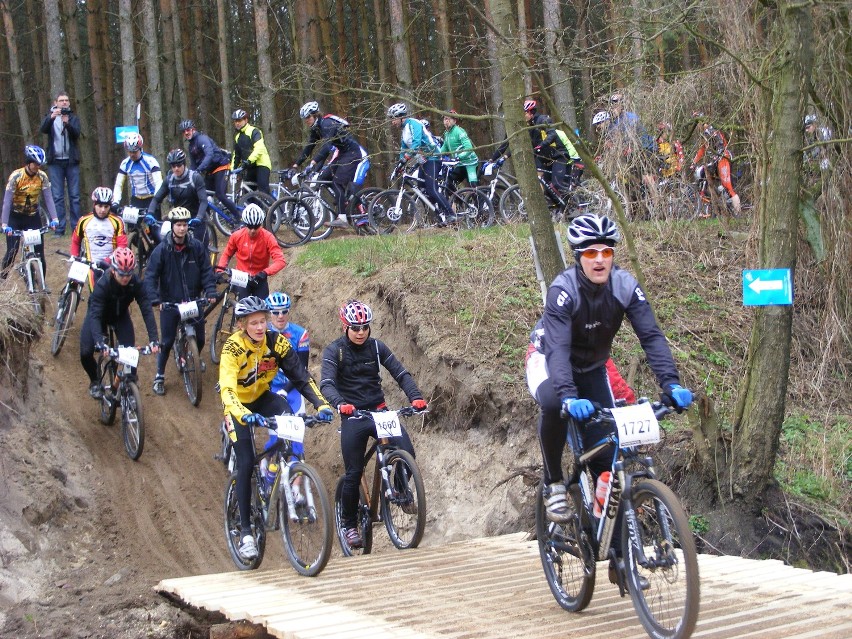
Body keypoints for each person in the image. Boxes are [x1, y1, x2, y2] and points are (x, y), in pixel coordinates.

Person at [525, 213, 692, 578]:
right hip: (549, 361)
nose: (599, 259)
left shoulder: (626, 286)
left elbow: (650, 336)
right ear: (578, 256)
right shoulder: (563, 290)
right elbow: (558, 350)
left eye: (606, 251)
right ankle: (555, 483)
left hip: (593, 368)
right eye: (590, 253)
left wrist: (671, 383)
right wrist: (569, 395)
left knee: (608, 463)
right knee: (554, 403)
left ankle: (619, 558)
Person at [219, 295, 334, 560]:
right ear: (242, 325)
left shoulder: (276, 342)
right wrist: (242, 414)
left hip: (263, 397)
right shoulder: (232, 348)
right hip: (237, 404)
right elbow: (226, 388)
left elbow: (301, 377)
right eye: (253, 323)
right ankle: (246, 531)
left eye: (263, 321)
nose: (260, 327)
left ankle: (276, 467)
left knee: (287, 416)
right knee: (246, 461)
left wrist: (321, 405)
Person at [320, 300, 428, 549]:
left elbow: (400, 373)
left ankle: (399, 491)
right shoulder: (334, 351)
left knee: (407, 451)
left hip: (379, 411)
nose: (361, 332)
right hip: (353, 414)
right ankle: (349, 524)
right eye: (355, 328)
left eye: (365, 327)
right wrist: (339, 403)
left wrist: (416, 397)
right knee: (353, 472)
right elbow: (326, 383)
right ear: (345, 326)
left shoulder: (377, 347)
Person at [144, 206, 217, 396]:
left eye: (185, 225)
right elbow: (151, 276)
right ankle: (159, 375)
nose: (182, 229)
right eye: (178, 225)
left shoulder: (197, 248)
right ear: (172, 226)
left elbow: (207, 271)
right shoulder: (162, 250)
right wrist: (155, 299)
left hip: (193, 301)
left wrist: (210, 290)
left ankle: (191, 354)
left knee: (200, 338)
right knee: (166, 341)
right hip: (170, 302)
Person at [80, 247, 160, 399]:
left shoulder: (135, 282)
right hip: (99, 316)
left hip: (120, 316)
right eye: (122, 274)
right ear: (113, 270)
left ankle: (130, 385)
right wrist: (99, 342)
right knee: (85, 352)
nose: (125, 278)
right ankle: (95, 381)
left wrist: (154, 339)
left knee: (131, 352)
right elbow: (95, 315)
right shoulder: (103, 284)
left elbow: (146, 308)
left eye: (129, 274)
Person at [292, 101, 371, 228]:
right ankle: (343, 200)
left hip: (352, 153)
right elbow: (309, 147)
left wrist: (313, 162)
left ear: (315, 115)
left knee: (337, 182)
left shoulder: (327, 124)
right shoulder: (316, 128)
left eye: (308, 117)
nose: (306, 120)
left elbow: (327, 147)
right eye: (304, 118)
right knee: (323, 177)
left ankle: (343, 218)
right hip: (343, 153)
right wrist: (296, 164)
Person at [387, 103, 456, 226]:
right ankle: (440, 215)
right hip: (423, 160)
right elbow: (404, 149)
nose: (392, 123)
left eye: (393, 119)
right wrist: (399, 165)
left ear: (401, 117)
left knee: (432, 189)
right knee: (422, 188)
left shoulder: (414, 124)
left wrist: (406, 158)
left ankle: (451, 214)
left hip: (433, 157)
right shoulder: (404, 130)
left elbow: (416, 143)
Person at [1, 145, 60, 279]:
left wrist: (54, 218)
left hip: (33, 217)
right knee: (12, 250)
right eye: (36, 164)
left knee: (40, 253)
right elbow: (7, 201)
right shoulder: (16, 176)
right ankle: (2, 279)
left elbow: (49, 198)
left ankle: (42, 285)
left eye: (40, 164)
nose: (38, 167)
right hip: (14, 217)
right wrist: (4, 224)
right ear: (29, 162)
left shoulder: (42, 177)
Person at [215, 203, 285, 300]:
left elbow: (280, 261)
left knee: (262, 310)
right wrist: (220, 271)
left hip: (259, 278)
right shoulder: (236, 236)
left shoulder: (268, 237)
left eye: (256, 227)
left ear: (261, 224)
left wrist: (265, 272)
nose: (253, 230)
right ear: (245, 224)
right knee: (243, 309)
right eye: (249, 226)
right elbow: (226, 254)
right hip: (241, 278)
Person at [147, 148, 210, 250]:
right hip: (178, 218)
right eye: (173, 166)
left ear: (184, 164)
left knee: (200, 249)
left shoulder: (195, 178)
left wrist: (199, 217)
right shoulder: (169, 180)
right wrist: (150, 213)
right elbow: (156, 198)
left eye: (179, 165)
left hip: (196, 216)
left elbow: (203, 201)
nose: (176, 168)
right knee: (165, 245)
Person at [178, 119, 239, 222]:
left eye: (188, 130)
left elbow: (209, 155)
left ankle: (239, 217)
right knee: (203, 196)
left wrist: (199, 169)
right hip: (210, 171)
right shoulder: (191, 146)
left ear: (193, 129)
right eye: (184, 131)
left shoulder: (202, 139)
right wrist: (189, 175)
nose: (186, 133)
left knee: (220, 195)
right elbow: (193, 165)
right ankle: (205, 223)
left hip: (221, 166)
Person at [39, 92, 82, 236]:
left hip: (71, 161)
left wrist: (67, 123)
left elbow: (76, 134)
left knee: (74, 196)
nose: (64, 103)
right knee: (57, 196)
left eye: (66, 100)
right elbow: (43, 129)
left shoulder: (73, 117)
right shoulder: (50, 117)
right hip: (55, 162)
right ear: (55, 102)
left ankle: (76, 227)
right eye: (61, 100)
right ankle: (59, 227)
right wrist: (51, 118)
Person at [70, 186, 128, 290]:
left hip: (111, 263)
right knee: (95, 292)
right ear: (94, 204)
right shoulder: (84, 220)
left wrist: (109, 260)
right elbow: (76, 241)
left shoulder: (117, 222)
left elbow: (122, 246)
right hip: (91, 264)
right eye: (100, 206)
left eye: (106, 206)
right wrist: (74, 256)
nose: (103, 210)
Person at [690, 112, 741, 214]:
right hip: (718, 160)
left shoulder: (709, 131)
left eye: (697, 123)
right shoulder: (709, 131)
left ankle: (737, 212)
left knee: (728, 186)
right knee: (708, 178)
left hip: (723, 159)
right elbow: (703, 149)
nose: (697, 127)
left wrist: (694, 162)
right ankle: (715, 207)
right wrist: (695, 162)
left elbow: (705, 148)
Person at [112, 133, 163, 210]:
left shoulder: (150, 161)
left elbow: (158, 182)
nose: (132, 154)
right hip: (136, 199)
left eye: (135, 152)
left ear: (140, 149)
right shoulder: (125, 163)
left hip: (151, 198)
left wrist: (156, 200)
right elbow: (119, 184)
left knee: (153, 221)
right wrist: (115, 201)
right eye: (130, 152)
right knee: (131, 222)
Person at [231, 109, 273, 195]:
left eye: (239, 120)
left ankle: (271, 207)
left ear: (246, 120)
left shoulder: (254, 131)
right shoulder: (237, 137)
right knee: (247, 194)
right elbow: (236, 155)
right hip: (250, 167)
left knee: (263, 191)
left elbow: (259, 148)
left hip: (261, 164)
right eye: (235, 121)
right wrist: (233, 170)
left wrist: (249, 161)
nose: (237, 123)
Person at [440, 110, 479, 193]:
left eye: (449, 119)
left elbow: (469, 148)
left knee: (473, 186)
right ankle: (459, 201)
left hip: (470, 163)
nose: (446, 121)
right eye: (445, 119)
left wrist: (458, 157)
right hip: (460, 164)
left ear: (454, 121)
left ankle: (481, 204)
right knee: (448, 182)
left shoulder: (459, 131)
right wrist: (434, 155)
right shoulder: (446, 134)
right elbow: (444, 149)